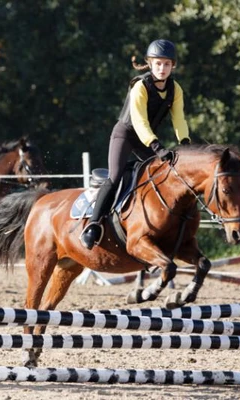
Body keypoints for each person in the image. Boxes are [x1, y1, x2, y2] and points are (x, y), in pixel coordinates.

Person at [80, 39, 191, 250]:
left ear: (173, 66)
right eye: (158, 63)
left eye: (167, 64)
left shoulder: (175, 89)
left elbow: (179, 119)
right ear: (149, 64)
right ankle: (93, 225)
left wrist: (184, 143)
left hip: (147, 139)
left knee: (162, 174)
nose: (162, 68)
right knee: (115, 176)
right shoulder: (140, 86)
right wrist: (158, 147)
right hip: (125, 134)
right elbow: (139, 122)